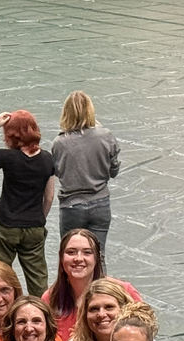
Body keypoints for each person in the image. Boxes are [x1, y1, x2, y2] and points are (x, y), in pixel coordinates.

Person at [0, 110, 55, 297]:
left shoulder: (8, 158)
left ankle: (2, 313)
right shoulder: (48, 159)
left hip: (5, 225)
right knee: (38, 281)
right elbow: (49, 197)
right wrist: (39, 218)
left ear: (10, 135)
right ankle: (42, 316)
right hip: (34, 227)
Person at [52, 91, 121, 267]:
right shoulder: (106, 136)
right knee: (98, 256)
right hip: (100, 203)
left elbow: (59, 172)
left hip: (71, 206)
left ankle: (71, 294)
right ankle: (101, 293)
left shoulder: (59, 143)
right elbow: (114, 170)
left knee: (71, 259)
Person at [43, 229, 140, 341]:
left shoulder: (124, 291)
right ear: (61, 258)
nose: (78, 258)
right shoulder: (50, 299)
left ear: (97, 258)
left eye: (87, 252)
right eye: (71, 252)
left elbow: (144, 334)